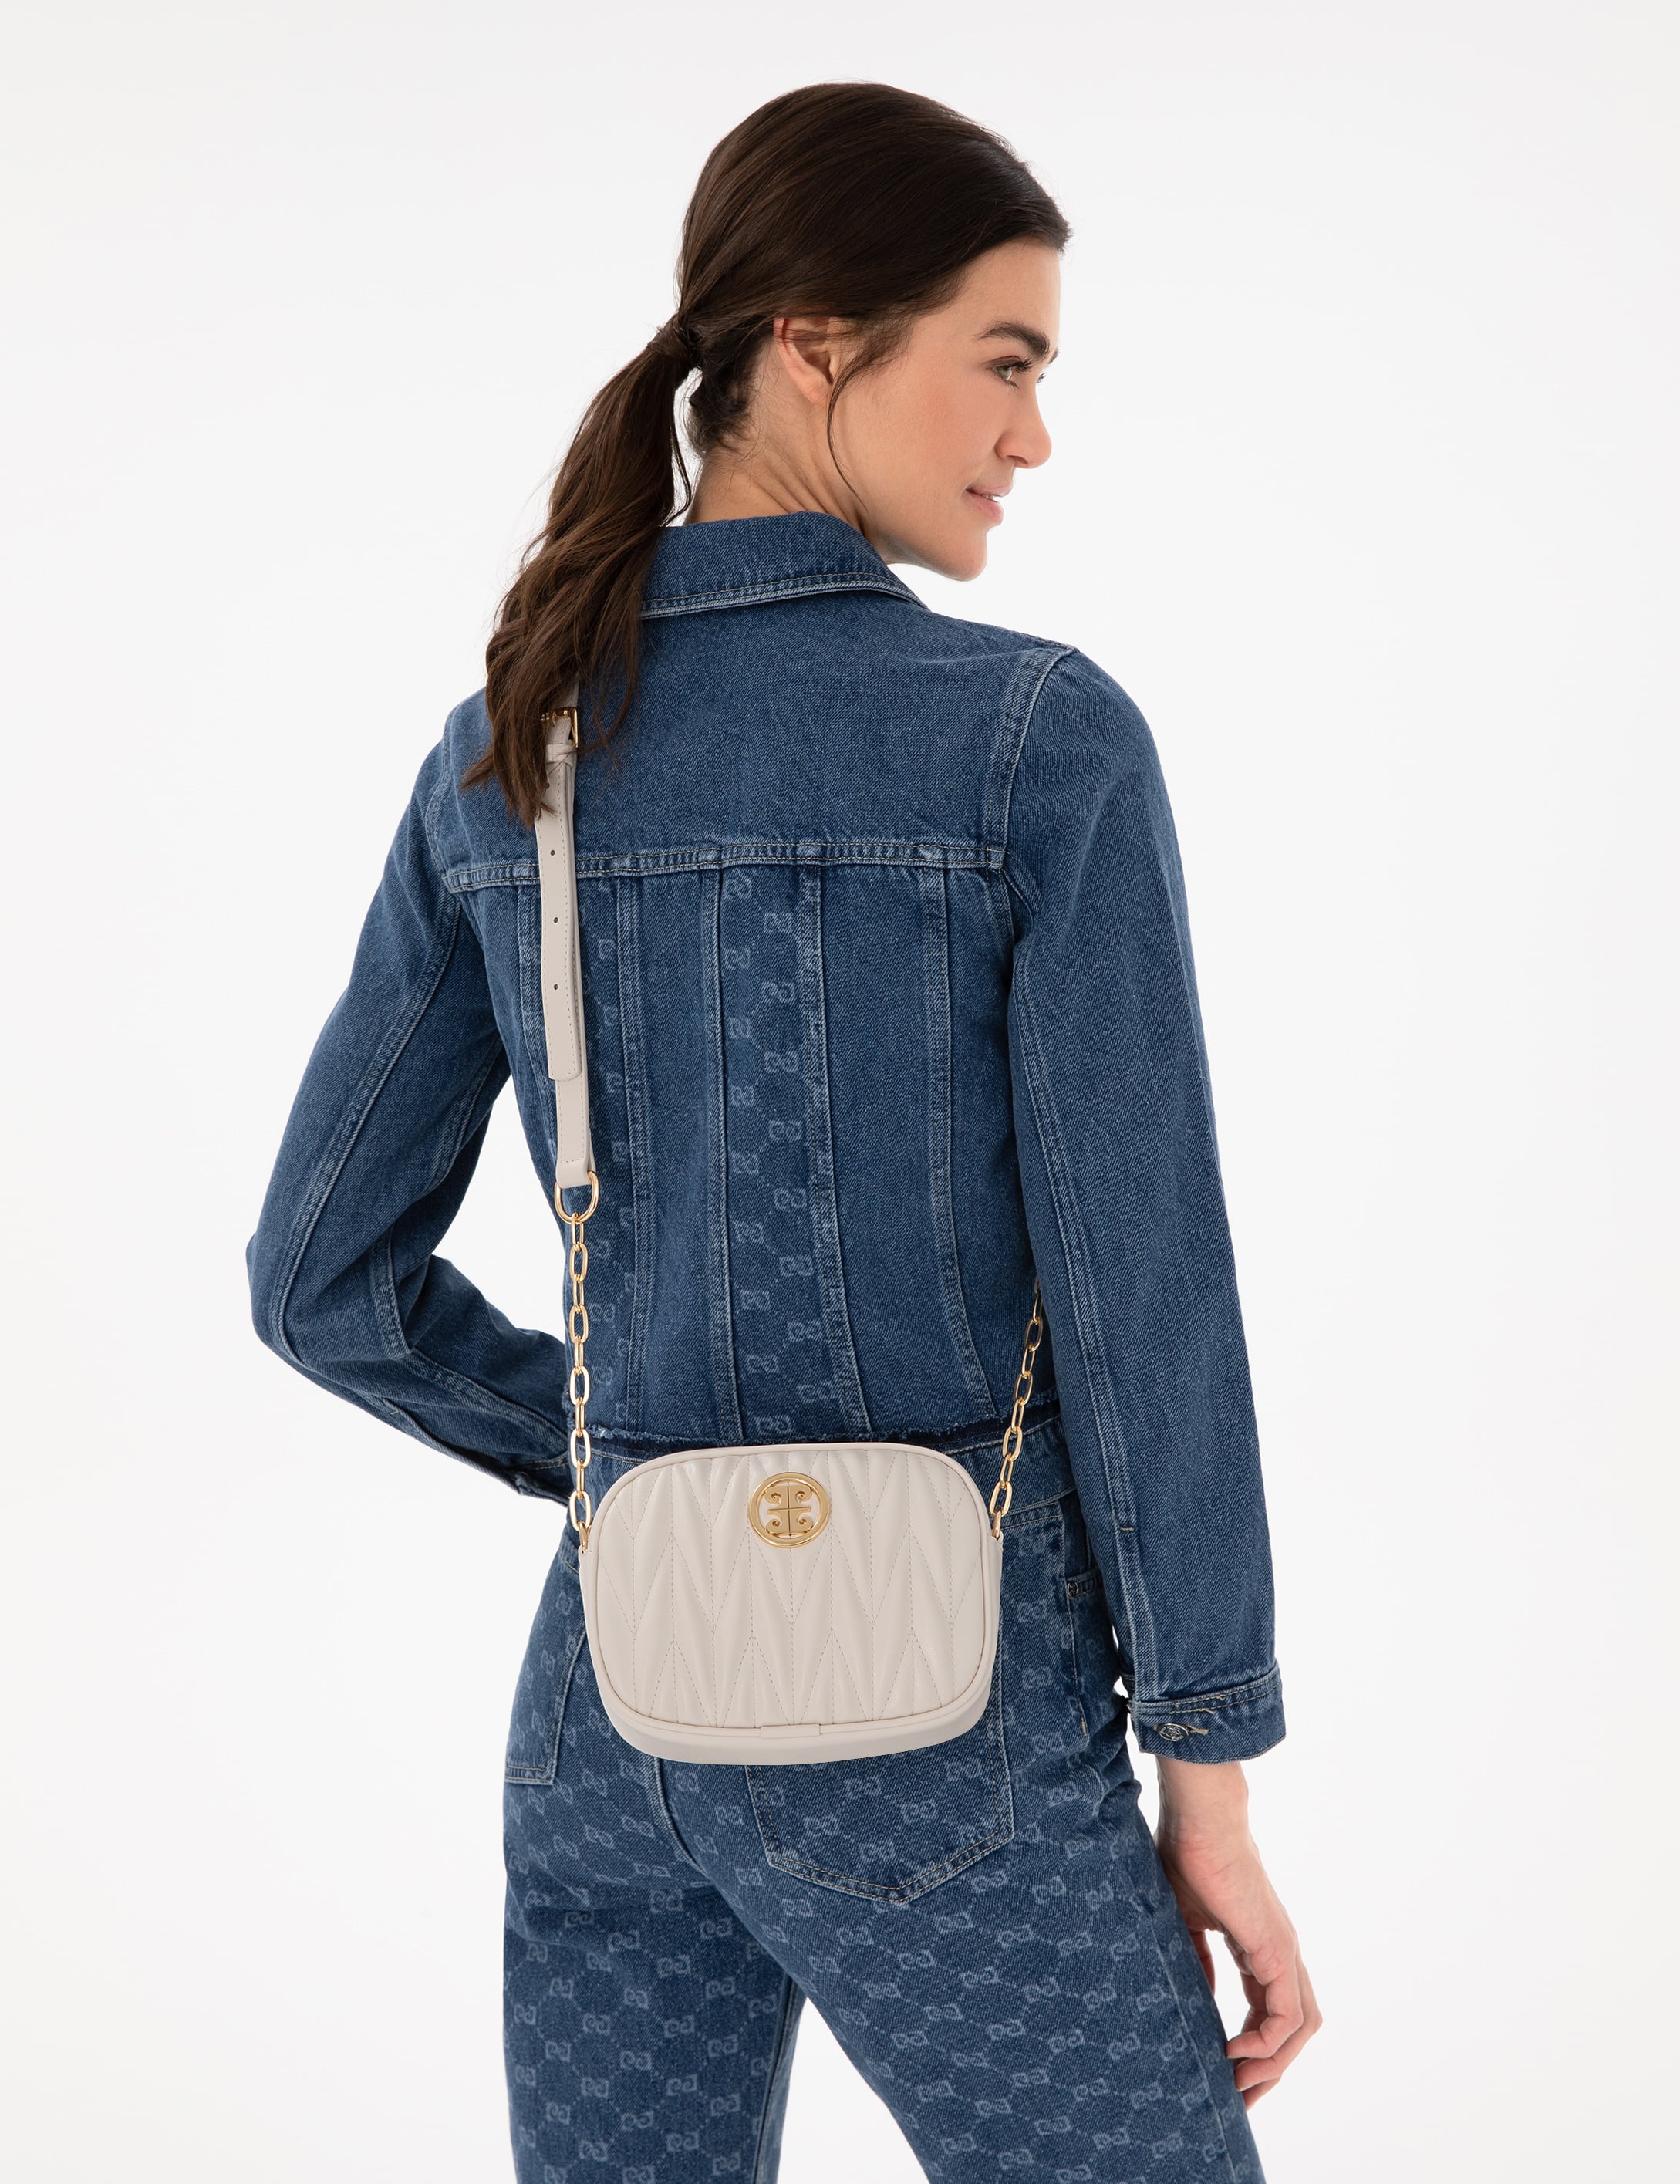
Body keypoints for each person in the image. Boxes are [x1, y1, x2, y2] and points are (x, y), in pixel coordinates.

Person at [248, 79, 1319, 2184]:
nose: (1031, 435)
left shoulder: (509, 750)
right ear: (816, 343)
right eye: (1004, 361)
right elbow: (1144, 1309)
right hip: (945, 1734)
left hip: (607, 1713)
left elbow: (317, 1280)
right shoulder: (1033, 739)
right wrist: (1211, 1768)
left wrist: (638, 1472)